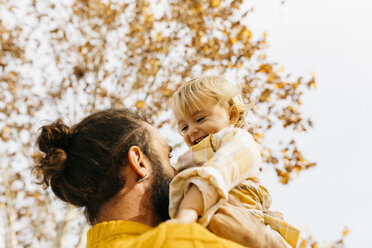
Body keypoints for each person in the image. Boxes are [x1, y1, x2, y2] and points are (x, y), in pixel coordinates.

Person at [33, 108, 288, 248]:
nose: (179, 170)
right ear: (140, 163)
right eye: (168, 157)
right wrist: (263, 242)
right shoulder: (179, 241)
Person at [168, 76, 300, 248]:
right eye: (183, 127)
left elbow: (217, 172)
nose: (191, 130)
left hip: (244, 227)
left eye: (200, 119)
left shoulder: (236, 140)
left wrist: (186, 214)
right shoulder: (185, 159)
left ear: (232, 115)